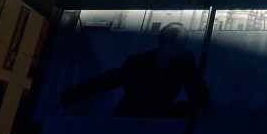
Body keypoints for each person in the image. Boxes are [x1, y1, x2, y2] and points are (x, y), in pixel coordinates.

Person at [60, 22, 210, 118]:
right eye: (182, 45)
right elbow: (105, 81)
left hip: (160, 114)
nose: (185, 49)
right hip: (131, 115)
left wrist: (205, 108)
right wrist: (68, 98)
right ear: (168, 47)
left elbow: (195, 87)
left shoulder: (185, 60)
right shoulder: (138, 63)